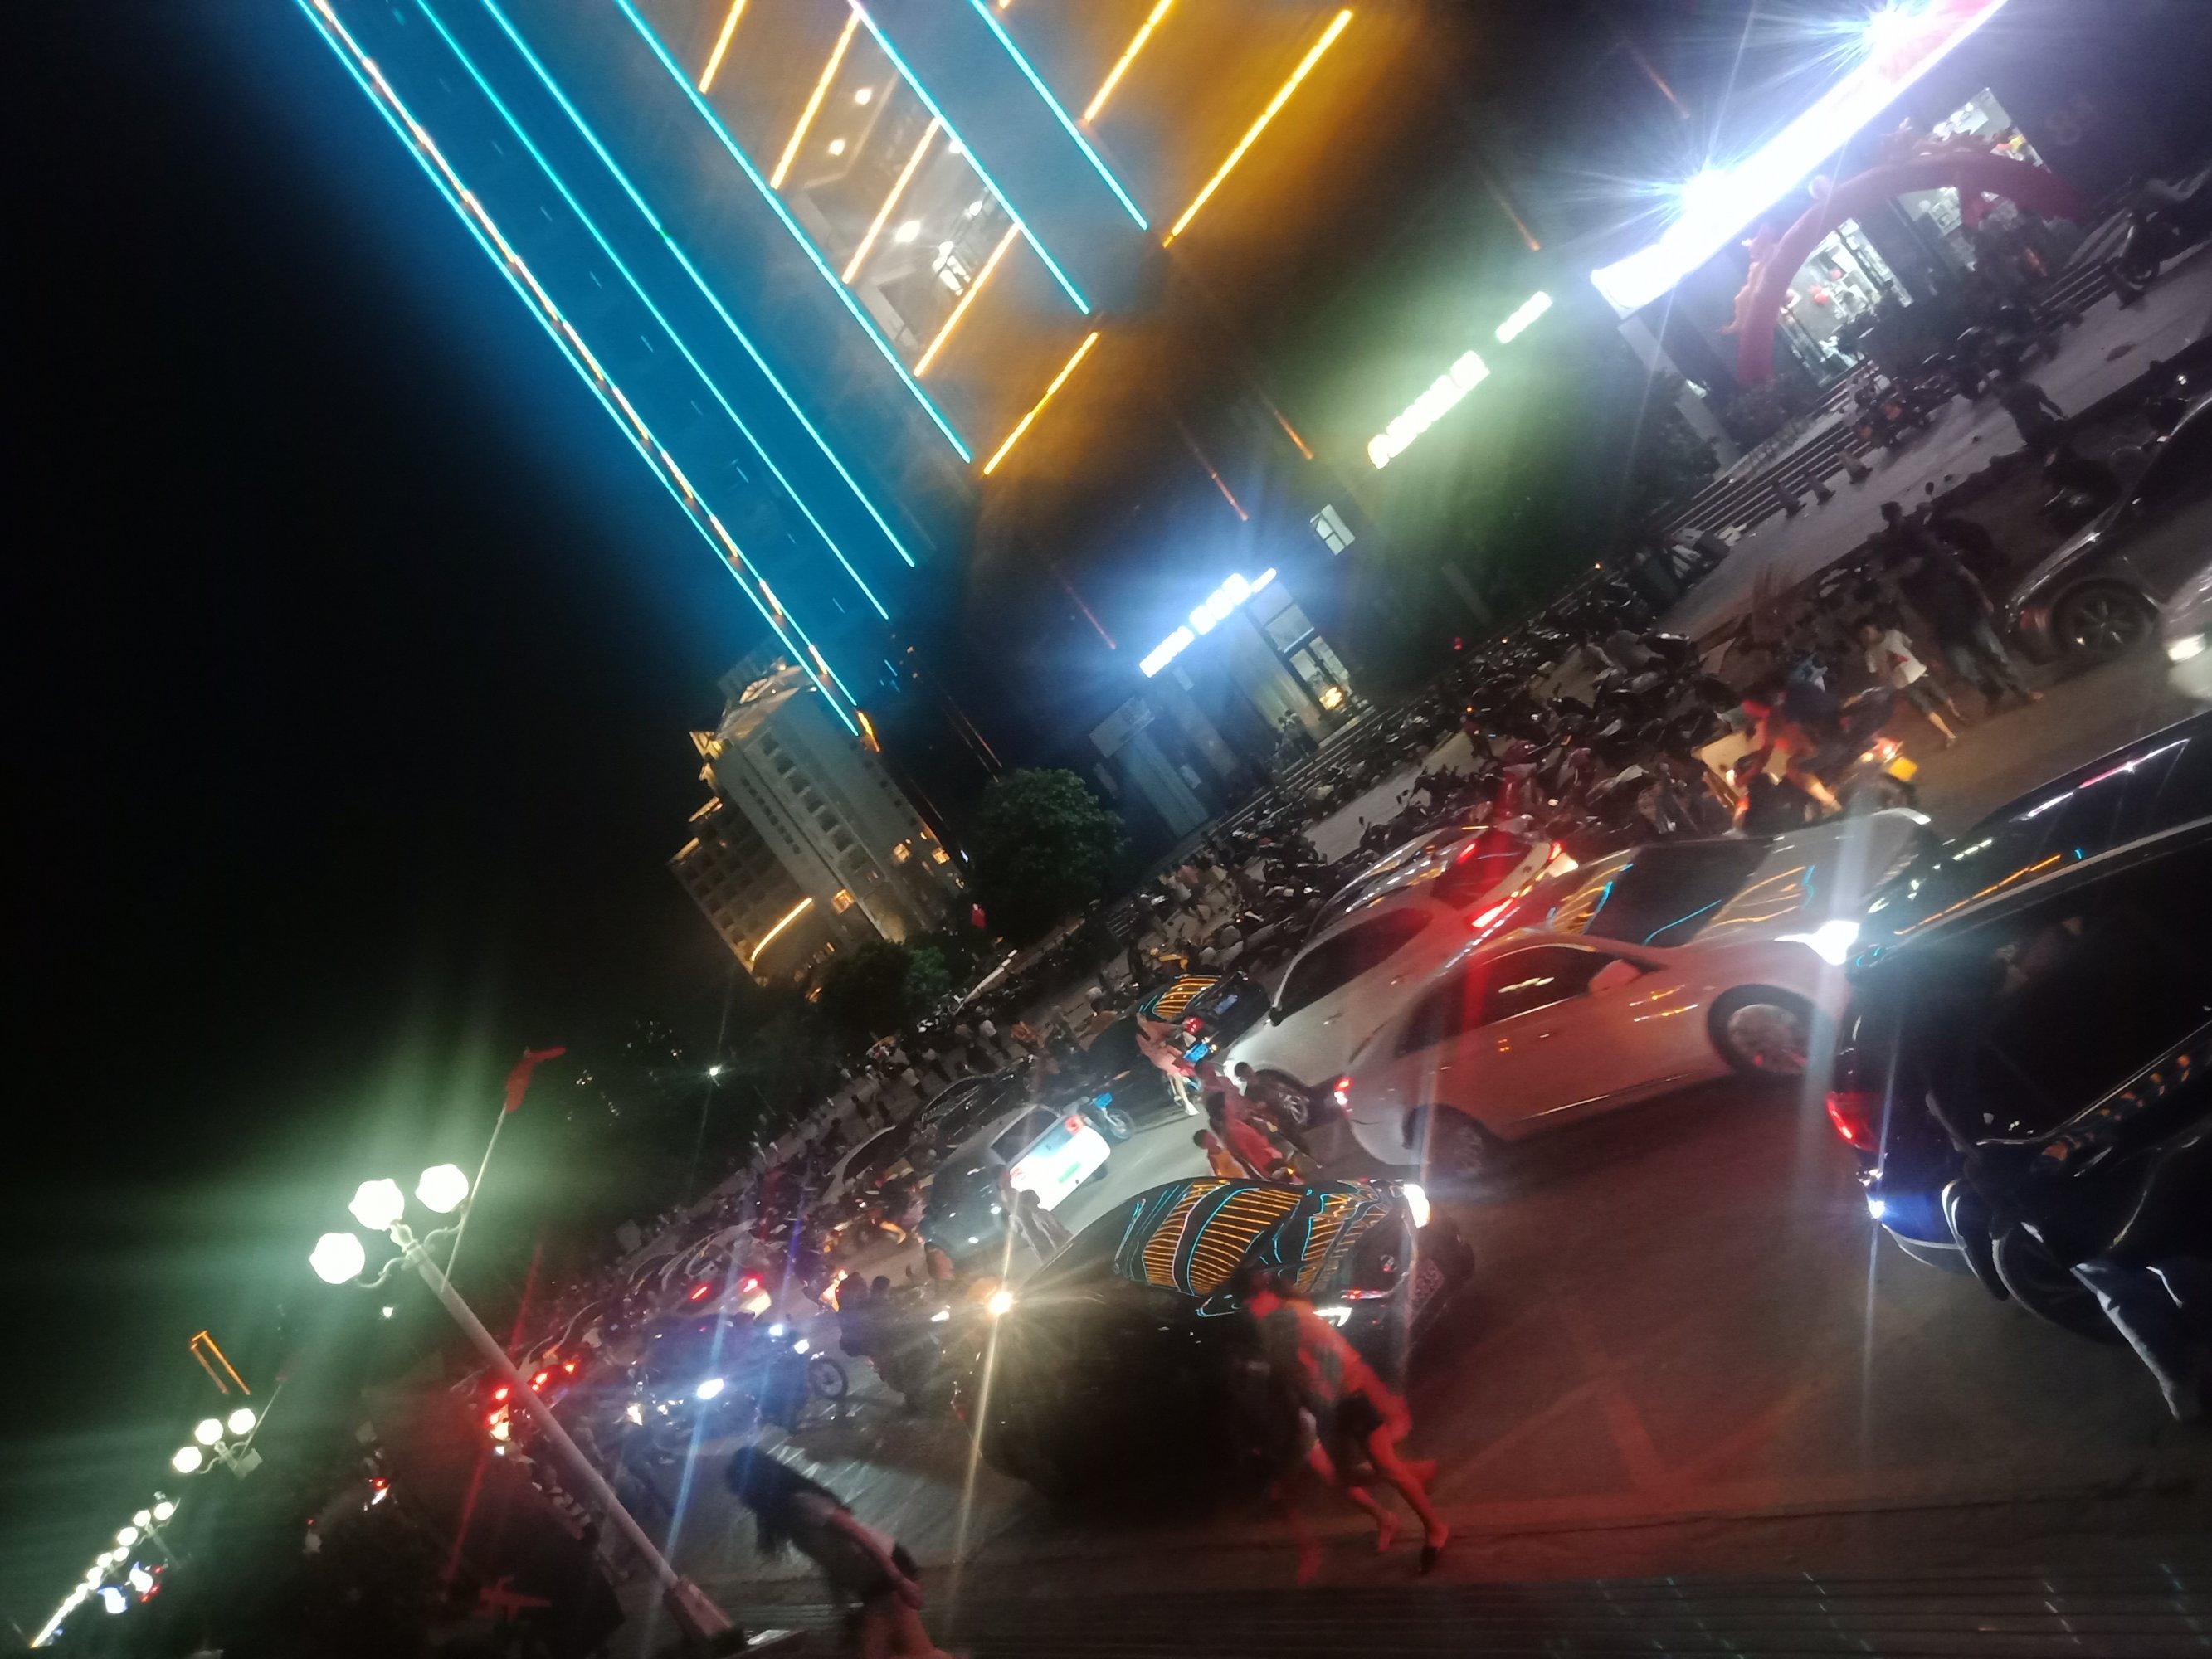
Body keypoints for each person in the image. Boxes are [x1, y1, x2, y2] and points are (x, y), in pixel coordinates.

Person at [1235, 1266, 1449, 1577]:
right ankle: (1415, 1476)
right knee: (1346, 1477)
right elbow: (1290, 1371)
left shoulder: (1298, 1318)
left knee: (1387, 1469)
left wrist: (1382, 1402)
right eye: (1245, 1304)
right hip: (1327, 1408)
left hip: (1350, 1401)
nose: (1248, 1310)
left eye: (1250, 1301)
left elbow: (1349, 1360)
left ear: (1264, 1294)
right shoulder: (1271, 1324)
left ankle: (1435, 1529)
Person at [725, 1448, 949, 1658]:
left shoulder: (802, 1503)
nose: (743, 1501)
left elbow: (858, 1534)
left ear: (758, 1486)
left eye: (742, 1492)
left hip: (886, 1571)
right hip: (874, 1583)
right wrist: (842, 1607)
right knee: (906, 1652)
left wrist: (899, 1581)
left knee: (918, 1653)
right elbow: (831, 1561)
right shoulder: (789, 1518)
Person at [1883, 517, 2039, 707]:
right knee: (1962, 668)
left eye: (1899, 569)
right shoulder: (1906, 583)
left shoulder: (1937, 561)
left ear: (1909, 561)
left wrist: (1983, 599)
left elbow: (1968, 576)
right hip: (1945, 629)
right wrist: (1930, 627)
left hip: (1970, 615)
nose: (1899, 573)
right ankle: (1993, 691)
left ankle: (2024, 692)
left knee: (1996, 655)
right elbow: (1917, 606)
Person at [1856, 617, 1961, 744]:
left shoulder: (1893, 635)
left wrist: (1929, 660)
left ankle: (1957, 714)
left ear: (1873, 627)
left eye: (1866, 632)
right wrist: (1888, 667)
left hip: (1918, 671)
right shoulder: (1870, 654)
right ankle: (1949, 734)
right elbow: (1878, 675)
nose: (1866, 637)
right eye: (1862, 635)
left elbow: (1911, 647)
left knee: (1943, 696)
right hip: (1903, 684)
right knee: (1926, 709)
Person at [1994, 373, 2068, 453]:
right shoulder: (2031, 387)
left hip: (2026, 433)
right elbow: (2048, 403)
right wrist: (2063, 415)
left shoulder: (2005, 399)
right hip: (2041, 425)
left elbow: (2014, 411)